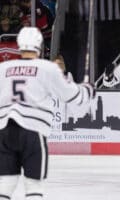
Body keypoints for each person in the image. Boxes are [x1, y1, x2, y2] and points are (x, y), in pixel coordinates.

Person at [0, 27, 94, 199]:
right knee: (34, 186)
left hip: (5, 131)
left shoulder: (4, 68)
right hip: (32, 131)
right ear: (39, 45)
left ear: (19, 44)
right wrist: (87, 90)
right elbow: (71, 95)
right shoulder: (47, 68)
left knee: (5, 185)